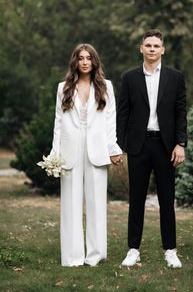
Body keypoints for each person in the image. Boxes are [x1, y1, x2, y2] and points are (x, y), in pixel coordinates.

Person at [117, 29, 187, 268]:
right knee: (136, 199)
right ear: (141, 48)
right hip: (138, 145)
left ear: (163, 49)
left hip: (166, 146)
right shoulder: (129, 78)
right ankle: (133, 249)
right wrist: (119, 146)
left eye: (156, 46)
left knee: (167, 200)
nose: (152, 49)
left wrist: (181, 143)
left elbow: (181, 112)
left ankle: (170, 250)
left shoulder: (175, 77)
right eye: (148, 45)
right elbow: (123, 114)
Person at [50, 43, 122, 267]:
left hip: (97, 148)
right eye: (80, 58)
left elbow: (111, 120)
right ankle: (72, 257)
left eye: (88, 58)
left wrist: (113, 148)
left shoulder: (106, 86)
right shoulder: (63, 87)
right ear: (75, 61)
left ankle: (95, 255)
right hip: (70, 148)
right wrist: (55, 154)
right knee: (70, 204)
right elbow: (58, 122)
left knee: (97, 203)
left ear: (94, 61)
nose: (84, 62)